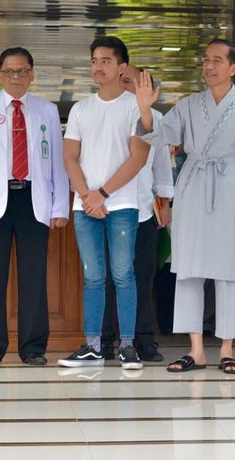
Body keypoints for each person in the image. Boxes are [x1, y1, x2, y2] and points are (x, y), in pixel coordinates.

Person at [135, 39, 235, 375]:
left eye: (217, 60)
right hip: (192, 186)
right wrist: (146, 109)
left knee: (227, 272)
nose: (209, 66)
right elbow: (159, 136)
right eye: (206, 60)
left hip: (231, 188)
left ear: (233, 68)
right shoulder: (189, 104)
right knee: (188, 269)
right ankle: (195, 349)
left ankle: (226, 348)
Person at [0, 46, 69, 366]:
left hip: (34, 200)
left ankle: (33, 348)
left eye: (22, 71)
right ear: (0, 74)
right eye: (9, 71)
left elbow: (57, 162)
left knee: (34, 277)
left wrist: (60, 206)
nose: (16, 77)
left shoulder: (46, 110)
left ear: (32, 74)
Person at [59, 36, 150, 370]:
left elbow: (138, 157)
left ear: (122, 67)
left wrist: (103, 194)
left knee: (124, 274)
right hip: (85, 207)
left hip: (121, 204)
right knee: (93, 277)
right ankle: (93, 345)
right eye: (95, 61)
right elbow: (70, 157)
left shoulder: (135, 107)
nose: (98, 67)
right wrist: (86, 196)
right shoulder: (82, 108)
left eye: (106, 61)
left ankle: (127, 346)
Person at [100, 66, 173, 362]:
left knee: (142, 277)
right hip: (106, 210)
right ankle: (105, 340)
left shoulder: (156, 119)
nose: (129, 87)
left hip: (143, 210)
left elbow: (162, 165)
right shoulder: (103, 114)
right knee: (106, 279)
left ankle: (144, 340)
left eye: (135, 82)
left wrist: (165, 203)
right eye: (125, 80)